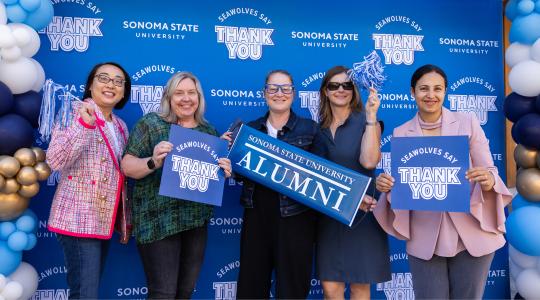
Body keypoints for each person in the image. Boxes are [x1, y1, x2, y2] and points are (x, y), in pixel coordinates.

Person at [373, 64, 512, 299]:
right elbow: (406, 185)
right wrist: (387, 186)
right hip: (425, 234)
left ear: (445, 91)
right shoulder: (401, 132)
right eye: (424, 88)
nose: (431, 95)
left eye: (437, 89)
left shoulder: (468, 122)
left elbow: (489, 170)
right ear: (412, 92)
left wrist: (487, 178)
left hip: (472, 229)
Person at [120, 71, 232, 299]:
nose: (186, 98)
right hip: (158, 221)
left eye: (192, 93)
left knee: (185, 292)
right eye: (179, 93)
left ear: (199, 98)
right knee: (163, 293)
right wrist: (153, 161)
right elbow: (127, 165)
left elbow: (209, 178)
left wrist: (223, 171)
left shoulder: (208, 132)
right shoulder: (151, 124)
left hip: (195, 221)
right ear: (169, 97)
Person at [231, 70, 319, 299]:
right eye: (273, 88)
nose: (279, 93)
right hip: (257, 216)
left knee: (292, 289)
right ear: (264, 93)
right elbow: (239, 175)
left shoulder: (310, 129)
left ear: (294, 93)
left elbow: (324, 178)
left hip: (296, 218)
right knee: (251, 287)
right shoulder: (248, 130)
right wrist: (227, 161)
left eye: (285, 88)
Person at [47, 62, 131, 299]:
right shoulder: (73, 111)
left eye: (118, 81)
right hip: (76, 218)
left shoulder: (121, 126)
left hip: (102, 220)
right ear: (91, 85)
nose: (110, 85)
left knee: (86, 292)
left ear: (124, 91)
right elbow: (55, 160)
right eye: (103, 78)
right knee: (85, 294)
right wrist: (84, 125)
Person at [313, 65, 391, 300]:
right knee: (331, 288)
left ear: (354, 90)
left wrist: (370, 117)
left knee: (359, 288)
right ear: (325, 91)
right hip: (330, 215)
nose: (341, 89)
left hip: (362, 215)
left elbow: (368, 162)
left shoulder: (368, 123)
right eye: (334, 85)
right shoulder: (317, 130)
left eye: (347, 85)